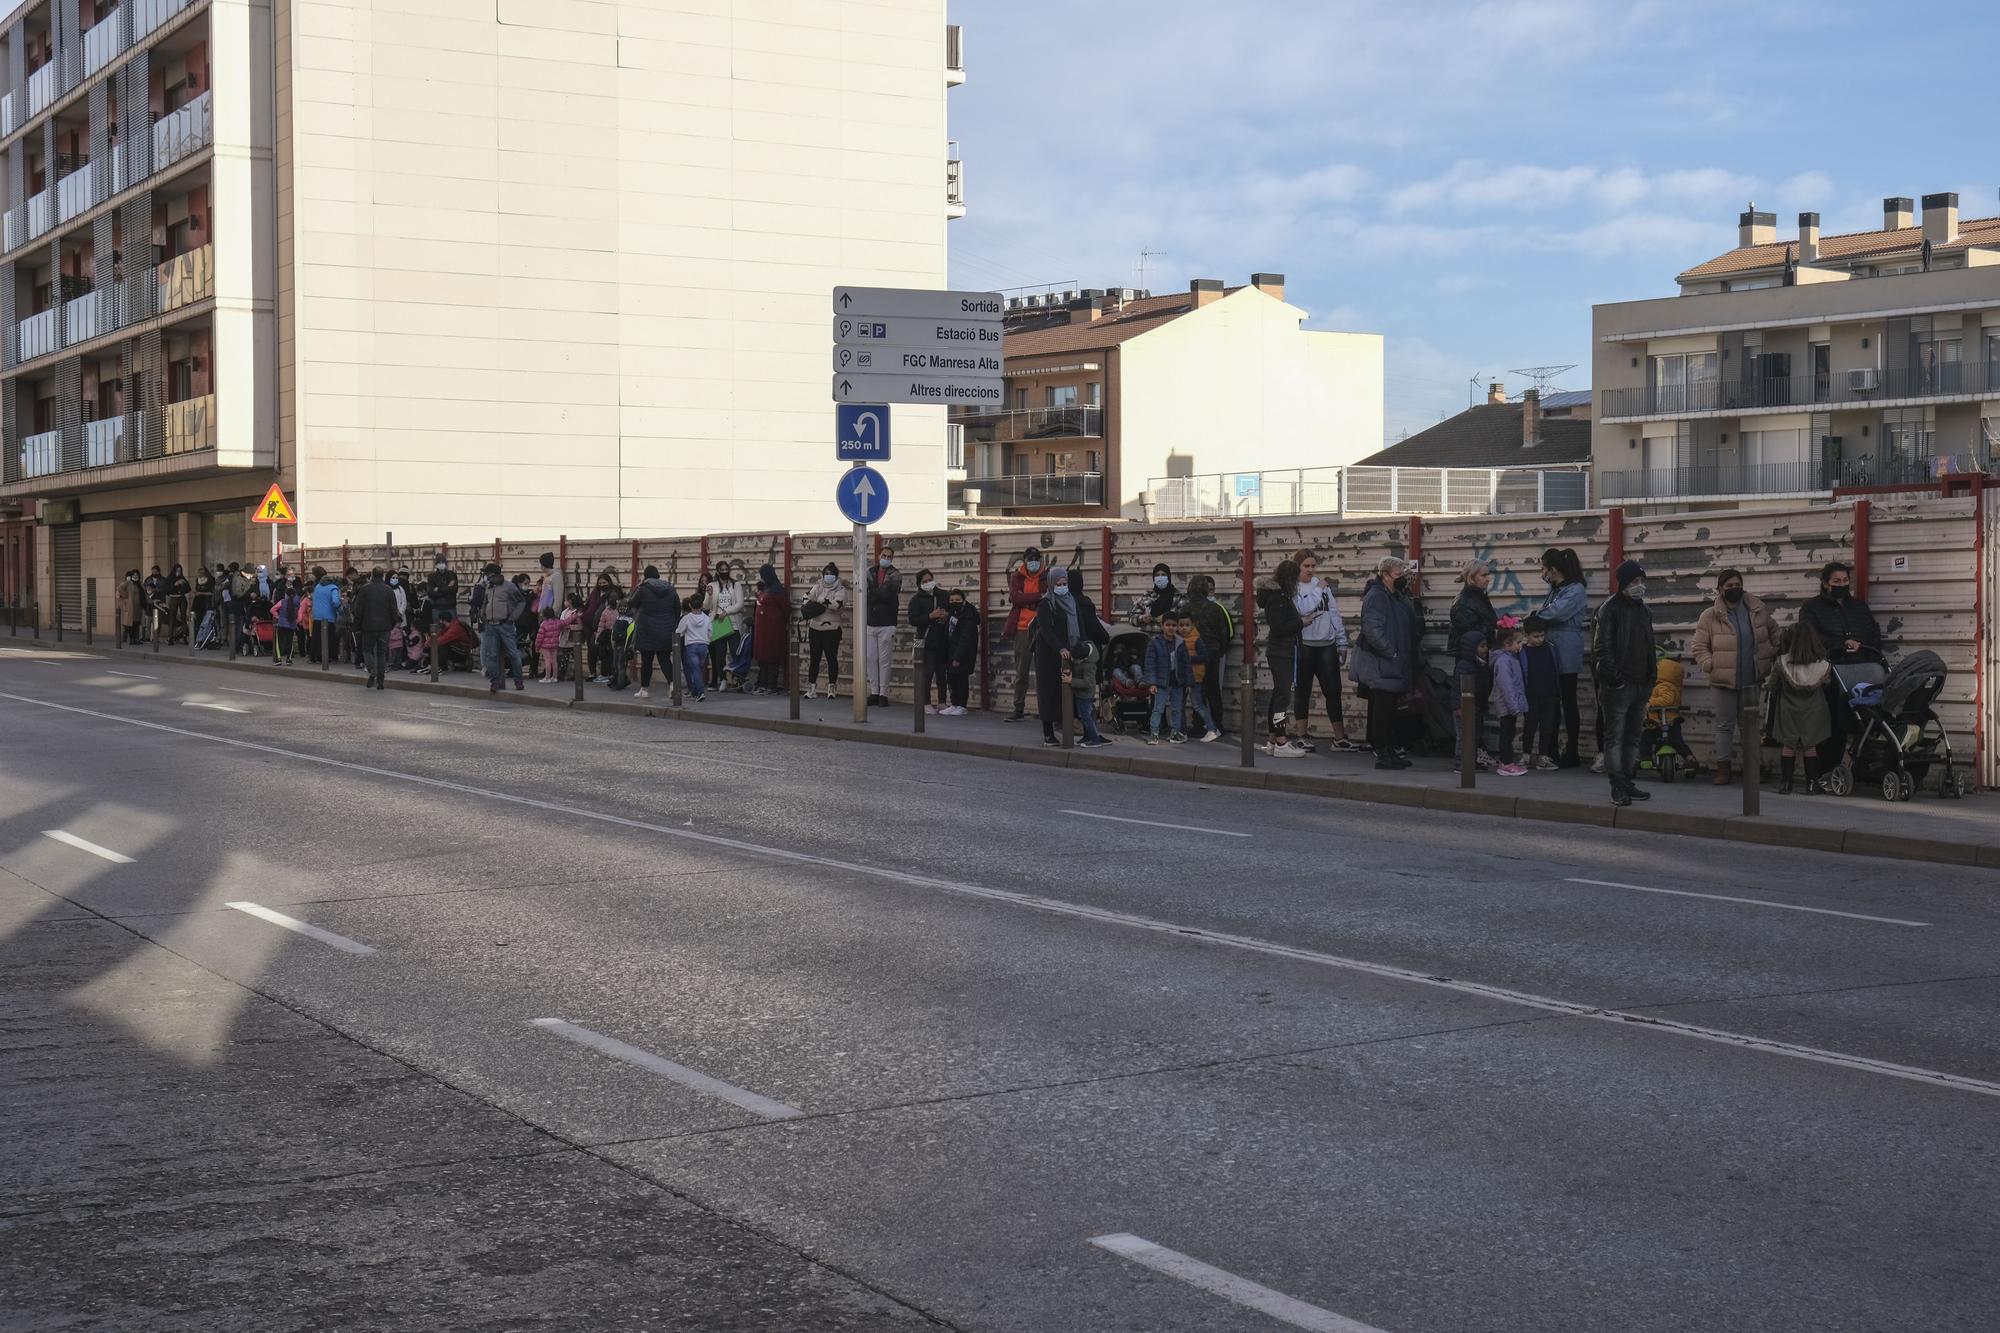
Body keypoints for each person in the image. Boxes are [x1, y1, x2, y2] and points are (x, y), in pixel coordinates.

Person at [1690, 568, 1779, 786]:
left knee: (1750, 726)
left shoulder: (1757, 609)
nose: (1734, 589)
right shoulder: (1710, 615)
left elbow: (1775, 632)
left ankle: (1753, 770)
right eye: (1729, 586)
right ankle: (1723, 770)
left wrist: (1772, 655)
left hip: (1752, 679)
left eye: (1737, 585)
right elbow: (1699, 646)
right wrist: (1710, 664)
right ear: (1720, 589)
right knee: (1724, 726)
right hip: (1723, 681)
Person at [1797, 559, 1882, 759]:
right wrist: (1842, 644)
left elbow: (1873, 634)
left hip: (1861, 671)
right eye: (1837, 581)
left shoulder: (1859, 608)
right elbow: (1811, 636)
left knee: (1868, 716)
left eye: (1845, 580)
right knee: (1833, 721)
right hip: (1830, 673)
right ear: (1826, 583)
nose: (1842, 584)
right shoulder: (1811, 608)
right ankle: (1828, 765)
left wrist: (1865, 650)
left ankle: (1865, 760)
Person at [1592, 559, 1657, 807]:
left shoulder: (1644, 610)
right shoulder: (1609, 609)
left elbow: (1649, 645)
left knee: (1632, 736)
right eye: (1634, 582)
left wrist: (1652, 676)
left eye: (1641, 582)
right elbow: (1602, 648)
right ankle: (1617, 784)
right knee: (1615, 737)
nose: (1639, 587)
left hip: (1641, 683)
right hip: (1619, 686)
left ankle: (1628, 780)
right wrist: (1615, 679)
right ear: (1622, 584)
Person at [1351, 556, 1418, 770]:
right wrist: (1393, 653)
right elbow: (1372, 630)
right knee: (1382, 711)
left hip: (1392, 663)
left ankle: (1389, 752)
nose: (1402, 579)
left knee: (1389, 711)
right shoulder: (1377, 596)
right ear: (1386, 575)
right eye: (1399, 575)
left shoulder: (1396, 596)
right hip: (1382, 663)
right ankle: (1383, 754)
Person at [1032, 565, 1108, 747]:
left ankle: (1084, 731)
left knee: (1074, 691)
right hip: (1049, 655)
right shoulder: (1045, 603)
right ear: (1051, 584)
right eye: (1058, 583)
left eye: (1064, 583)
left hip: (1071, 653)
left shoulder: (1072, 601)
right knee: (1049, 693)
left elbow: (1080, 625)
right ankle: (1048, 733)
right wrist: (1060, 648)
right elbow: (1046, 630)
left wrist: (1082, 647)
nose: (1062, 586)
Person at [1291, 550, 1353, 752]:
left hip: (1326, 644)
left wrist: (1342, 642)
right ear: (1297, 566)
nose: (1310, 570)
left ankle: (1339, 738)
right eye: (1306, 566)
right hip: (1305, 645)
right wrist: (1318, 589)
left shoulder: (1322, 585)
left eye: (1313, 566)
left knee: (1333, 691)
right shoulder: (1294, 588)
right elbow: (1303, 610)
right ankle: (1301, 734)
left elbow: (1333, 613)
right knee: (1303, 691)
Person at [1535, 547, 1589, 767]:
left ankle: (1572, 750)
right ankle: (1552, 749)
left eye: (1544, 569)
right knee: (1552, 702)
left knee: (1568, 701)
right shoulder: (1557, 589)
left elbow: (1556, 613)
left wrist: (1535, 617)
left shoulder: (1575, 590)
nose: (1543, 573)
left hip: (1566, 650)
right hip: (1553, 649)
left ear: (1554, 569)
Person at [1766, 622, 1834, 795]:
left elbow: (1772, 686)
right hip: (1813, 710)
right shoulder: (1823, 665)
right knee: (1810, 746)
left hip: (1788, 710)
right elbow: (1827, 684)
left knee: (1789, 746)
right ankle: (1812, 784)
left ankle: (1785, 784)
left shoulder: (1782, 662)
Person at [1254, 558, 1306, 757]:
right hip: (1281, 652)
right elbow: (1278, 627)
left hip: (1282, 652)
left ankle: (1273, 740)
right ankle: (1282, 741)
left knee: (1278, 695)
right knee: (1282, 697)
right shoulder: (1278, 598)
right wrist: (1301, 622)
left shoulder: (1278, 595)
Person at [1450, 559, 1498, 763]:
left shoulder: (1478, 597)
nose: (1488, 579)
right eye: (1483, 575)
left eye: (1488, 574)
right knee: (1470, 707)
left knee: (1477, 706)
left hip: (1479, 660)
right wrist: (1493, 631)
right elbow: (1471, 635)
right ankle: (1466, 758)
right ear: (1472, 578)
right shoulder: (1465, 601)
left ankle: (1475, 752)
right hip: (1470, 661)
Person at [1182, 573, 1234, 739]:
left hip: (1193, 654)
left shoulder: (1185, 609)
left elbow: (1181, 632)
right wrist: (1219, 651)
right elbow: (1224, 633)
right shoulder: (1215, 608)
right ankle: (1217, 725)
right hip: (1211, 653)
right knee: (1213, 691)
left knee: (1197, 691)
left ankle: (1198, 725)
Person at [1003, 545, 1047, 721]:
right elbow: (1015, 598)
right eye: (1030, 559)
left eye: (1037, 559)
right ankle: (1018, 709)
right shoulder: (1017, 576)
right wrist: (1037, 598)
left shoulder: (1046, 575)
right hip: (1022, 628)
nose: (1034, 563)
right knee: (1021, 672)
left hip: (1042, 627)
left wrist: (1026, 600)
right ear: (1025, 561)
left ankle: (1045, 710)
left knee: (1044, 672)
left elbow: (1048, 595)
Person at [626, 565, 680, 699]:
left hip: (647, 630)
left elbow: (632, 602)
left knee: (647, 660)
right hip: (666, 630)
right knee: (665, 659)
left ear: (645, 576)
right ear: (658, 575)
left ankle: (644, 690)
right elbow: (677, 609)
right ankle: (673, 685)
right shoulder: (670, 588)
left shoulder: (643, 588)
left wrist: (637, 588)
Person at [475, 563, 529, 693]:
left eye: (488, 574)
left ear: (495, 574)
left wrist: (512, 618)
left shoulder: (509, 587)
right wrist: (482, 613)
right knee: (491, 656)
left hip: (505, 625)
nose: (487, 577)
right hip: (490, 626)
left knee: (513, 654)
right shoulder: (489, 587)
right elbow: (485, 602)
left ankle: (518, 681)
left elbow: (521, 602)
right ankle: (495, 681)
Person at [1143, 612, 1193, 745]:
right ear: (1162, 626)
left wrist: (1188, 683)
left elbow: (1186, 664)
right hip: (1160, 682)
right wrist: (1152, 683)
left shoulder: (1181, 643)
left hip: (1177, 681)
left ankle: (1175, 732)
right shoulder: (1155, 642)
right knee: (1158, 709)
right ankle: (1154, 733)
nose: (1171, 628)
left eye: (1174, 625)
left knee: (1177, 709)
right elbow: (1150, 664)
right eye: (1168, 625)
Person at [801, 563, 847, 699]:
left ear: (836, 576)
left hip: (832, 629)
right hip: (815, 628)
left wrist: (819, 600)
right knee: (814, 659)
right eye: (826, 573)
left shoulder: (841, 589)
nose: (828, 576)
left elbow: (836, 605)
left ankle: (832, 688)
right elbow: (805, 598)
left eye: (831, 574)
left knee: (831, 659)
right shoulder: (818, 585)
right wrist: (816, 602)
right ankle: (811, 688)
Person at [1521, 615, 1561, 770]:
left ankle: (1543, 757)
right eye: (1535, 636)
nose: (1539, 639)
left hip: (1550, 695)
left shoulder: (1550, 648)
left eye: (1542, 635)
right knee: (1529, 727)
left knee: (1547, 728)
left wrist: (1557, 693)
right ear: (1526, 635)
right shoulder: (1523, 652)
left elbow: (1555, 669)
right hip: (1531, 695)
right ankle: (1526, 756)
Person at [864, 545, 902, 707]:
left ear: (892, 559)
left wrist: (872, 592)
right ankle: (874, 691)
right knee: (870, 658)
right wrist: (874, 593)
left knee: (884, 660)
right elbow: (862, 592)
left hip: (887, 622)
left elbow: (887, 595)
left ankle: (883, 693)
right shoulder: (870, 572)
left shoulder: (895, 574)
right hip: (870, 621)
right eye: (884, 555)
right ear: (879, 555)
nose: (885, 558)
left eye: (889, 556)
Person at [908, 568, 950, 711]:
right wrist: (929, 616)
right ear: (919, 584)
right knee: (927, 673)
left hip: (942, 639)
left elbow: (951, 611)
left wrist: (946, 616)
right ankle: (925, 702)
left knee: (941, 673)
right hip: (925, 641)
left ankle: (942, 701)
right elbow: (913, 620)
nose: (928, 583)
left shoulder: (943, 595)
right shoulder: (916, 599)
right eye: (924, 581)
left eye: (929, 580)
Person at [1489, 623, 1528, 776]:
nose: (1520, 646)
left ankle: (1507, 762)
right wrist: (1514, 706)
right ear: (1507, 643)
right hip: (1507, 706)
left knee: (1509, 733)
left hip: (1509, 705)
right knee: (1506, 735)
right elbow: (1506, 686)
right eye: (1518, 643)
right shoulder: (1504, 661)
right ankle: (1506, 763)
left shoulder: (1510, 658)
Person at [353, 568, 400, 690]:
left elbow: (359, 610)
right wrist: (393, 623)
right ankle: (381, 681)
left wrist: (356, 626)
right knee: (381, 653)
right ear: (383, 575)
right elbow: (394, 610)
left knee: (367, 650)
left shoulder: (364, 590)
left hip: (368, 627)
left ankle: (372, 670)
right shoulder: (389, 590)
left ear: (372, 575)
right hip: (385, 627)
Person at [1454, 626, 1494, 769]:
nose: (1486, 649)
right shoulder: (1465, 666)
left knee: (1475, 735)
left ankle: (1471, 760)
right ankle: (1461, 762)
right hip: (1464, 707)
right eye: (1482, 646)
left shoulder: (1482, 665)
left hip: (1477, 707)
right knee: (1464, 736)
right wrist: (1458, 706)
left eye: (1486, 646)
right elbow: (1457, 688)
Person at [1064, 637, 1112, 748]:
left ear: (1084, 658)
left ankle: (1094, 739)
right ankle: (1088, 736)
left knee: (1086, 716)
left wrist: (1071, 680)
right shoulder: (1084, 647)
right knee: (1089, 715)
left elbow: (1088, 683)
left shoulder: (1089, 665)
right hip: (1082, 694)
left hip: (1085, 694)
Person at [705, 561, 746, 689]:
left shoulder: (736, 585)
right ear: (717, 571)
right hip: (718, 622)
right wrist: (709, 596)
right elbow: (706, 606)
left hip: (733, 622)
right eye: (721, 569)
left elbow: (740, 604)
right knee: (720, 654)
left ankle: (739, 679)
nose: (724, 571)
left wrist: (726, 612)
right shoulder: (712, 585)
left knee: (736, 652)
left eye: (726, 569)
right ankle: (722, 679)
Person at [940, 587, 979, 716]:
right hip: (951, 653)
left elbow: (965, 639)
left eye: (957, 599)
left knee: (961, 680)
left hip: (963, 655)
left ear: (963, 600)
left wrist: (958, 657)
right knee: (952, 679)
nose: (954, 602)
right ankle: (954, 703)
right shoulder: (953, 614)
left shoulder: (968, 616)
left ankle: (962, 705)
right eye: (952, 600)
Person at [677, 592, 713, 701]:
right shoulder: (707, 618)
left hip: (691, 647)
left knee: (695, 670)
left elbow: (679, 632)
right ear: (702, 606)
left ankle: (701, 692)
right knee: (699, 669)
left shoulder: (686, 618)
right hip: (703, 647)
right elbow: (710, 633)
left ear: (690, 606)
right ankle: (695, 692)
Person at [309, 570, 342, 663]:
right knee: (330, 638)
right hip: (329, 617)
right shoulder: (333, 588)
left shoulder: (317, 587)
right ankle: (330, 657)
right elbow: (335, 602)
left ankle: (314, 657)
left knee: (316, 638)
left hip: (316, 616)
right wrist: (340, 610)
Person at [270, 578, 302, 665]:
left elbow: (272, 610)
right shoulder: (297, 604)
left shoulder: (282, 602)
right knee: (289, 642)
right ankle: (289, 659)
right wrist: (296, 622)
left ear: (286, 595)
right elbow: (300, 617)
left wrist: (278, 616)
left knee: (279, 642)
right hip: (291, 625)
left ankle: (278, 659)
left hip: (281, 625)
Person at [427, 555, 459, 625]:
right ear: (436, 564)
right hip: (437, 608)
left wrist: (438, 589)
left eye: (443, 562)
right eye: (439, 562)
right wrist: (447, 587)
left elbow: (454, 590)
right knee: (438, 631)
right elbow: (430, 593)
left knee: (454, 629)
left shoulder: (452, 574)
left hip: (450, 607)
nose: (441, 564)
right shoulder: (431, 576)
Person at [116, 569, 142, 644]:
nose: (135, 576)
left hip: (138, 607)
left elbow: (144, 594)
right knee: (131, 624)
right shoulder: (128, 583)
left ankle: (136, 639)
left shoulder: (139, 584)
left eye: (137, 575)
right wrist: (125, 595)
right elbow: (119, 588)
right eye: (134, 575)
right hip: (131, 607)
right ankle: (132, 639)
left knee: (137, 624)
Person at [535, 551, 564, 617]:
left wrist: (553, 614)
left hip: (550, 616)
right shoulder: (546, 576)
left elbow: (558, 598)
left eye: (540, 563)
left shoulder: (556, 576)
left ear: (544, 564)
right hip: (543, 614)